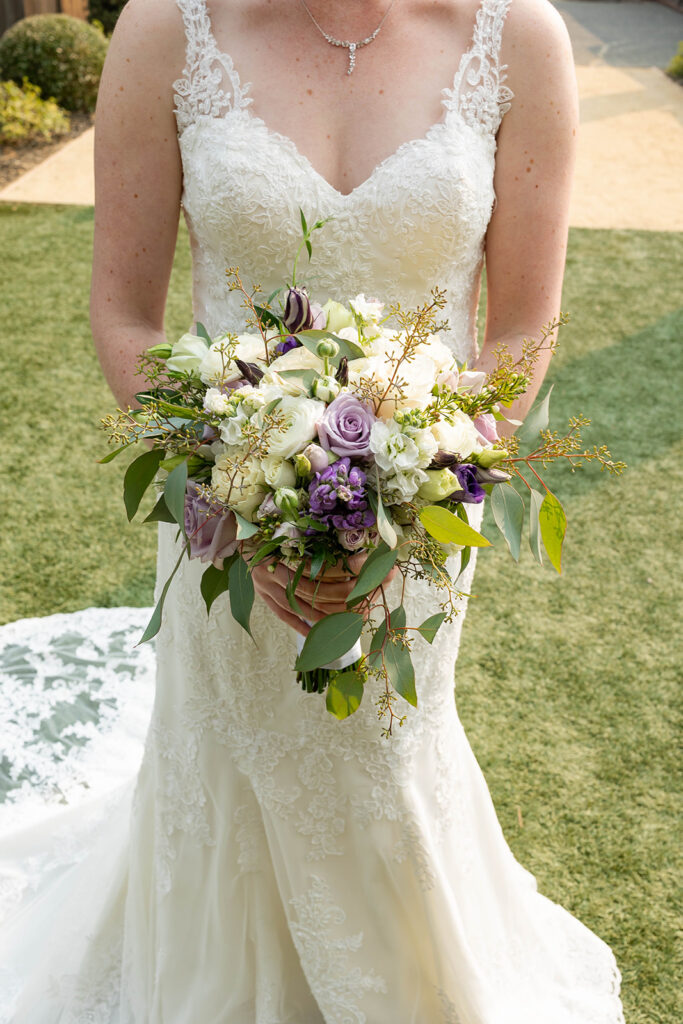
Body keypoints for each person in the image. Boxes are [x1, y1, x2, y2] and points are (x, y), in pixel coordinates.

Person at [0, 0, 626, 1020]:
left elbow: (519, 325)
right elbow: (123, 309)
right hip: (219, 509)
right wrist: (232, 498)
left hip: (415, 514)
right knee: (230, 760)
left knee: (380, 757)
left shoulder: (517, 40)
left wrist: (423, 495)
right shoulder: (166, 32)